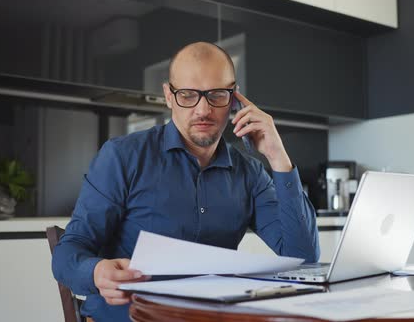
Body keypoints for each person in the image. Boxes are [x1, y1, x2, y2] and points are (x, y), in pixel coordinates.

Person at [52, 42, 320, 321]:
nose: (203, 109)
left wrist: (278, 157)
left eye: (216, 94)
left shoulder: (250, 173)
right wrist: (95, 272)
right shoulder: (122, 157)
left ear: (234, 98)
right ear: (169, 95)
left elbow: (303, 260)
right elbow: (68, 252)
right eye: (188, 95)